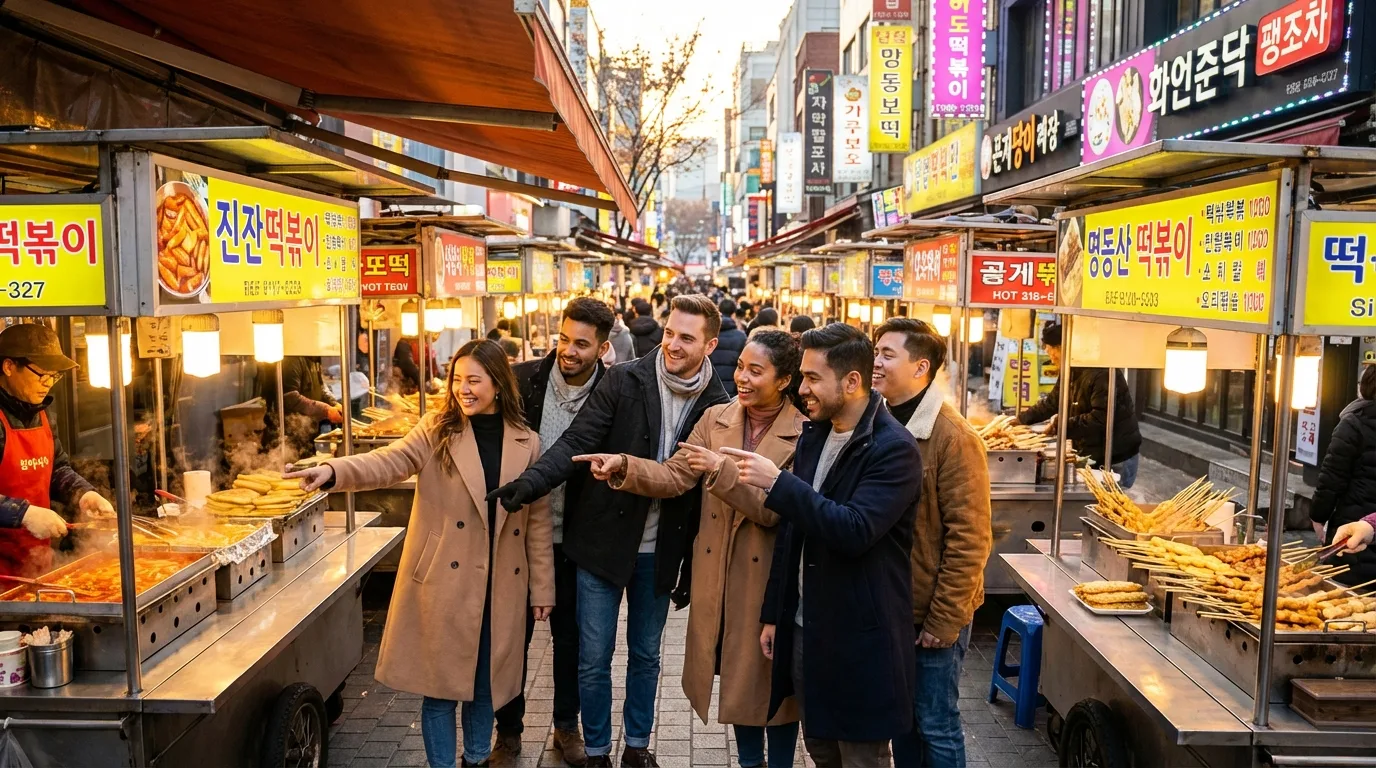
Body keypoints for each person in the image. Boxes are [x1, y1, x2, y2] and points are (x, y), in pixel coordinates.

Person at [487, 295, 730, 767]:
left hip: (660, 549)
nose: (673, 344)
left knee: (646, 656)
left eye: (686, 337)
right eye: (670, 333)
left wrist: (692, 568)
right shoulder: (625, 379)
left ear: (710, 345)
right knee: (593, 657)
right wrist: (530, 483)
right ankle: (597, 750)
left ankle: (637, 746)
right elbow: (576, 441)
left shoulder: (716, 404)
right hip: (600, 542)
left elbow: (700, 493)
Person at [287, 340, 554, 768]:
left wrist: (542, 590)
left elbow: (537, 523)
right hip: (446, 581)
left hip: (501, 584)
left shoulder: (528, 442)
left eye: (474, 380)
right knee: (441, 690)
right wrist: (333, 471)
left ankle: (477, 759)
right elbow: (388, 462)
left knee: (486, 686)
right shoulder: (437, 430)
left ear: (498, 384)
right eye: (457, 379)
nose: (463, 389)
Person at [575, 328, 806, 768]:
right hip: (718, 575)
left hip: (766, 579)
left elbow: (772, 510)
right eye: (741, 367)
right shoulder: (716, 418)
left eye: (756, 371)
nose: (742, 378)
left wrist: (721, 471)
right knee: (738, 679)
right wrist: (624, 465)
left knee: (771, 682)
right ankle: (749, 763)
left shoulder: (803, 432)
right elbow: (674, 475)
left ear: (783, 380)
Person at [724, 323, 921, 768]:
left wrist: (778, 484)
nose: (802, 389)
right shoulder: (816, 434)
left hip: (859, 639)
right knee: (821, 751)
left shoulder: (893, 448)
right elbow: (792, 535)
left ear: (852, 382)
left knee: (861, 757)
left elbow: (855, 529)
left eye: (813, 378)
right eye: (802, 376)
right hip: (805, 630)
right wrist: (774, 613)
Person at [491, 298, 614, 767]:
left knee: (572, 642)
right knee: (511, 638)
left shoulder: (613, 390)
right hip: (521, 536)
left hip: (579, 540)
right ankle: (508, 731)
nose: (569, 351)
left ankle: (566, 726)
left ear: (603, 348)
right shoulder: (521, 381)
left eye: (581, 344)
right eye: (563, 339)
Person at [871, 318, 992, 767]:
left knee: (936, 722)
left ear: (921, 367)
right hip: (892, 606)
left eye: (887, 354)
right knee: (902, 720)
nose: (875, 362)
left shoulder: (953, 438)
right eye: (875, 351)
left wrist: (944, 621)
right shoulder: (875, 420)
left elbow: (970, 539)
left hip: (931, 612)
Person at [0, 324, 114, 577]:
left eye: (54, 376)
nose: (48, 384)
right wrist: (23, 514)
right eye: (42, 375)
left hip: (35, 564)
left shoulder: (41, 413)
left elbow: (57, 468)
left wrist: (84, 493)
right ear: (9, 367)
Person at [1015, 322, 1142, 487]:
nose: (1051, 357)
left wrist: (1062, 425)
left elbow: (1100, 418)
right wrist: (1020, 420)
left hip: (1115, 455)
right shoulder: (1071, 369)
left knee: (1113, 500)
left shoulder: (1102, 373)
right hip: (1091, 452)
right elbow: (1053, 402)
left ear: (1063, 348)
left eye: (1052, 352)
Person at [1311, 363, 1376, 586]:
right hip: (1363, 527)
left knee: (1346, 593)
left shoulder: (1353, 422)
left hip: (1353, 525)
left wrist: (1318, 515)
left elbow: (1332, 477)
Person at [258, 355, 344, 461]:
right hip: (286, 438)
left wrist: (334, 403)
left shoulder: (313, 358)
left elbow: (321, 386)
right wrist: (326, 410)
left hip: (307, 435)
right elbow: (291, 398)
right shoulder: (291, 359)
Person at [711, 299, 747, 397]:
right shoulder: (741, 336)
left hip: (710, 388)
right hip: (733, 390)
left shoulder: (710, 334)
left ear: (719, 310)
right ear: (733, 314)